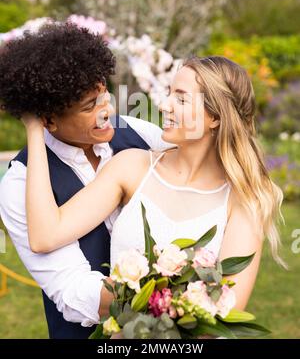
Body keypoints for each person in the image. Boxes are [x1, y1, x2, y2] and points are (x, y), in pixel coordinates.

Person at [22, 55, 285, 325]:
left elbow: (224, 313)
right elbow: (45, 236)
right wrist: (34, 129)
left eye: (181, 99)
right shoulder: (132, 167)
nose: (163, 105)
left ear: (215, 117)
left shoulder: (243, 200)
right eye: (169, 93)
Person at [0, 23, 173, 339]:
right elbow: (70, 290)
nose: (106, 110)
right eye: (89, 106)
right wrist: (167, 300)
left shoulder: (135, 133)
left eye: (104, 94)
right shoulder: (19, 184)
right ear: (48, 120)